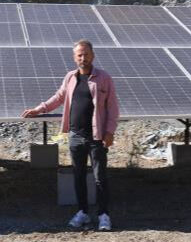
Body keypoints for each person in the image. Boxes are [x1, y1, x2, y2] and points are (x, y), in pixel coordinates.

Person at [21, 39, 120, 231]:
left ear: (93, 55)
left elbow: (113, 108)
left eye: (86, 54)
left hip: (97, 136)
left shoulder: (103, 78)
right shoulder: (70, 77)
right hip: (75, 135)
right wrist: (38, 109)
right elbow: (58, 97)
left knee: (100, 177)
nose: (83, 58)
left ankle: (103, 215)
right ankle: (83, 212)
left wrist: (110, 131)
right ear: (75, 58)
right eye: (79, 55)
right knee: (79, 176)